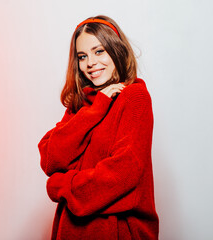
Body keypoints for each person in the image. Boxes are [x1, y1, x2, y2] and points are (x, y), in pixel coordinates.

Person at [38, 15, 159, 240]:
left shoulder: (134, 96)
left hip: (114, 232)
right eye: (82, 56)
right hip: (71, 231)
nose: (90, 63)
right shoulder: (83, 103)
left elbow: (124, 173)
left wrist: (62, 186)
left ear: (117, 50)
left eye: (99, 51)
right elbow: (50, 158)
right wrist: (97, 108)